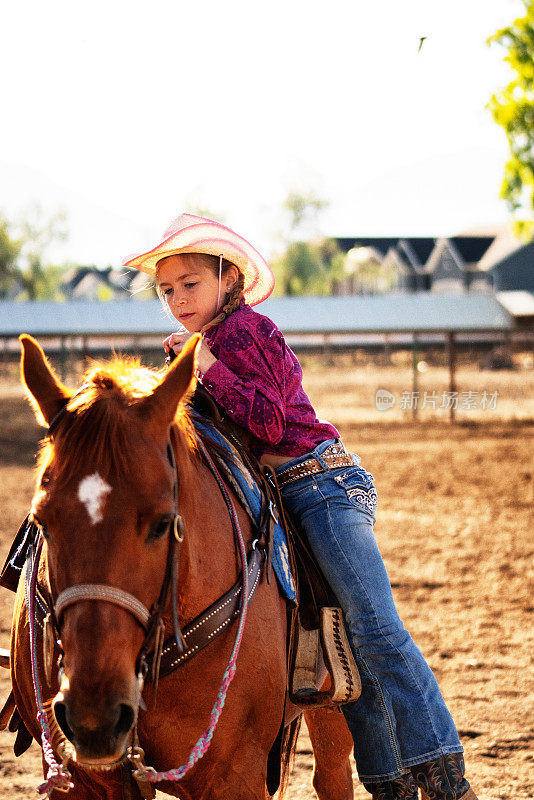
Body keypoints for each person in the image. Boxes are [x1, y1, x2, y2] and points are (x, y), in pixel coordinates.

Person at [123, 214, 478, 800]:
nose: (178, 299)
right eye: (167, 290)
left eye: (191, 284)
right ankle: (388, 784)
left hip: (319, 483)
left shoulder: (243, 333)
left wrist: (202, 366)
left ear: (227, 279)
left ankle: (443, 773)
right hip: (280, 494)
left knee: (375, 631)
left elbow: (268, 423)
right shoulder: (196, 346)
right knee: (339, 646)